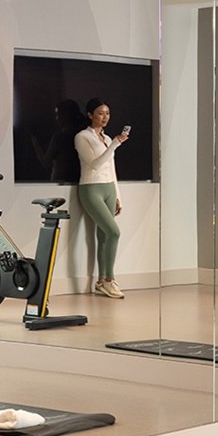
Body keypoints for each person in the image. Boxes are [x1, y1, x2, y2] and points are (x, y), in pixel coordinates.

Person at [74, 98, 130, 299]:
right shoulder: (82, 137)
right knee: (114, 232)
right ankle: (109, 280)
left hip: (109, 188)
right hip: (91, 189)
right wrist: (115, 144)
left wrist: (118, 195)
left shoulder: (106, 138)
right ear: (90, 115)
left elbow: (111, 169)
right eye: (100, 113)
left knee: (104, 236)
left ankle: (101, 282)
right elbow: (95, 164)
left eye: (107, 113)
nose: (104, 117)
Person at [32, 98, 82, 183]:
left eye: (58, 114)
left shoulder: (60, 138)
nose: (56, 118)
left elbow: (45, 162)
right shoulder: (82, 135)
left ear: (66, 115)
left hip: (59, 183)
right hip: (77, 181)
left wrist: (35, 142)